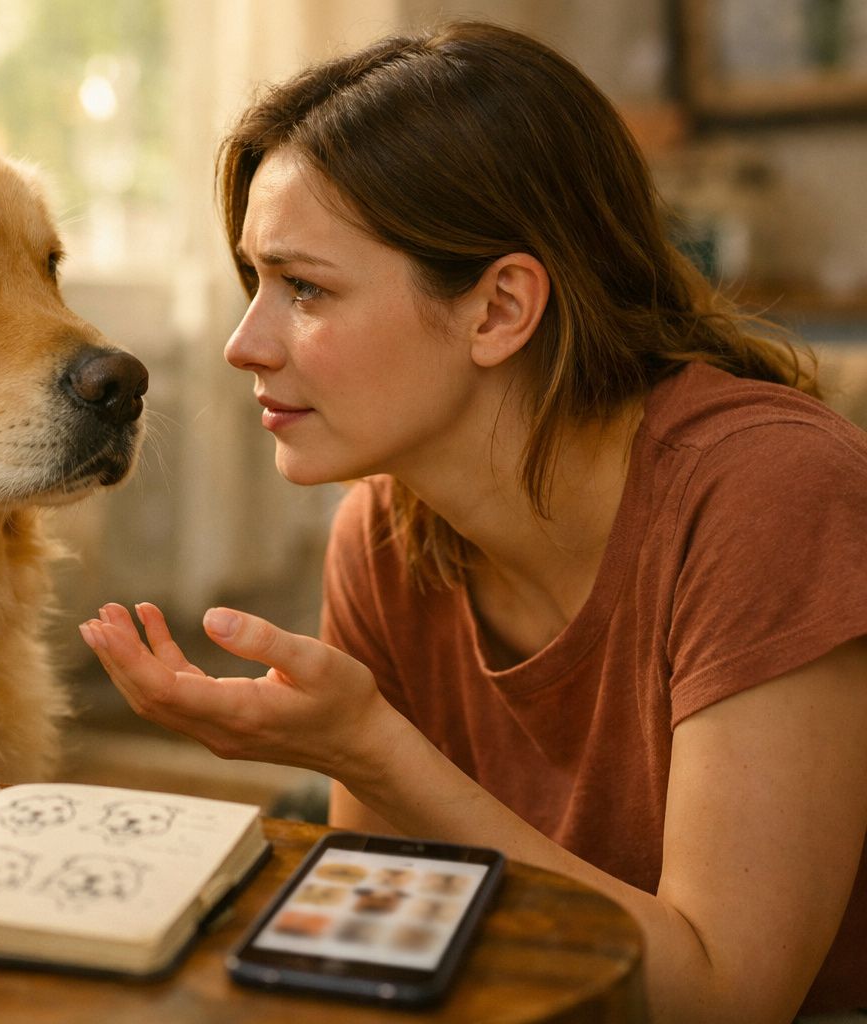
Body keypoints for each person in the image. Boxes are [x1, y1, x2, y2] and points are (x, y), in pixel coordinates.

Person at [77, 21, 867, 1024]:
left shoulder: (770, 493)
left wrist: (366, 747)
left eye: (305, 287)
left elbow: (723, 999)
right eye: (254, 281)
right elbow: (381, 945)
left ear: (499, 310)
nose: (244, 343)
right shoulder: (387, 527)